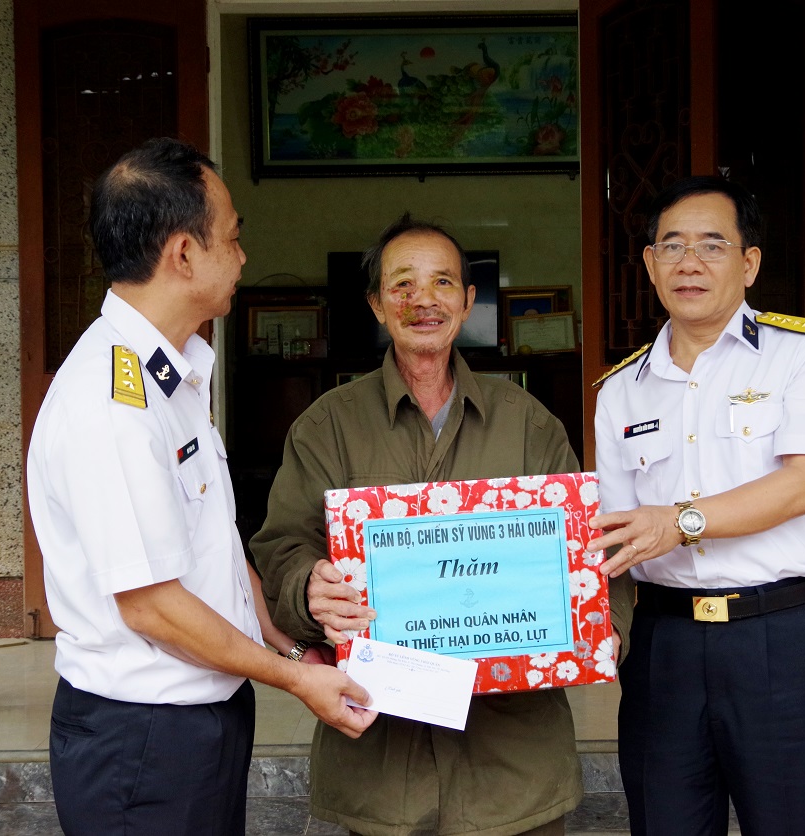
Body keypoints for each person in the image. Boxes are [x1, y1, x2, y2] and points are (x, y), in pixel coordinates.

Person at [26, 137, 376, 836]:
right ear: (184, 254)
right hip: (143, 742)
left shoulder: (171, 377)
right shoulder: (112, 402)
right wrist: (298, 680)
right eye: (234, 237)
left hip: (198, 720)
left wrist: (291, 646)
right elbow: (153, 605)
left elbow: (212, 547)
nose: (243, 257)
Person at [252, 212, 636, 836]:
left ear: (467, 300)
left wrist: (602, 630)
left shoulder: (528, 423)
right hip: (383, 769)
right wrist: (308, 586)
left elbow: (592, 546)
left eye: (442, 283)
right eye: (403, 284)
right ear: (377, 304)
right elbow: (281, 546)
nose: (423, 300)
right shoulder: (327, 426)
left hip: (513, 768)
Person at [588, 175, 805, 836]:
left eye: (712, 245)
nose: (690, 262)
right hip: (665, 644)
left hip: (776, 638)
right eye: (672, 246)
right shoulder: (621, 390)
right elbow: (612, 534)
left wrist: (679, 521)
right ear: (650, 263)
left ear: (749, 263)